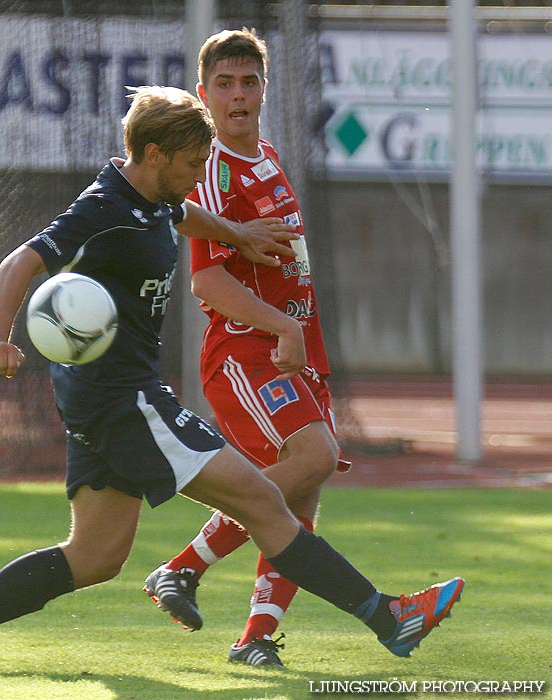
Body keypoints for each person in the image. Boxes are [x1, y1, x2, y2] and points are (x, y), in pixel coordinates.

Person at [0, 85, 463, 671]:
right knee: (262, 499)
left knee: (96, 555)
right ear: (153, 154)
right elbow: (19, 262)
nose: (199, 172)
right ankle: (390, 619)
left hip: (97, 398)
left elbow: (184, 215)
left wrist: (240, 235)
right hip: (125, 398)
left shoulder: (155, 196)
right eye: (191, 162)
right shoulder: (105, 209)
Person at [143, 28, 350, 667]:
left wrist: (302, 337)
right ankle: (181, 568)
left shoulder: (266, 153)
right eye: (224, 84)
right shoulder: (208, 170)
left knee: (304, 488)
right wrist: (284, 328)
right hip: (244, 351)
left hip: (291, 348)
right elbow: (207, 278)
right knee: (313, 458)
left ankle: (257, 639)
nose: (238, 95)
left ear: (264, 88)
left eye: (249, 81)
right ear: (203, 95)